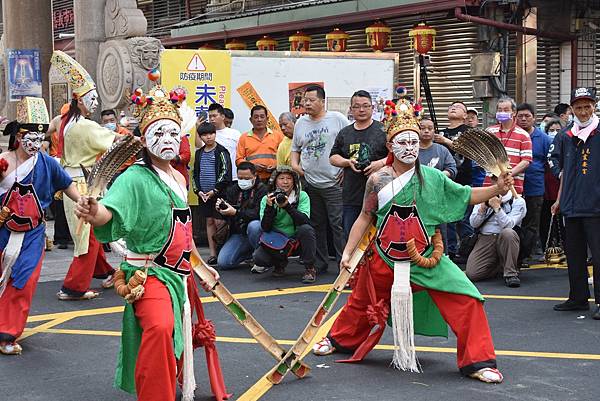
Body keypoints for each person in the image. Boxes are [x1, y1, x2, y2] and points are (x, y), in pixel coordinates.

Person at [312, 97, 511, 383]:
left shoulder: (433, 177)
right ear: (390, 146)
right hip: (382, 257)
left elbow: (465, 195)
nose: (409, 148)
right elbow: (365, 218)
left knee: (468, 298)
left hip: (426, 256)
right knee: (360, 303)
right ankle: (339, 340)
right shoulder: (377, 180)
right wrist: (347, 252)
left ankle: (478, 361)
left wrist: (495, 188)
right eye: (402, 142)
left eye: (414, 142)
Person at [74, 85, 229, 401]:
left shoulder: (179, 177)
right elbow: (110, 211)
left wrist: (200, 266)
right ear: (144, 140)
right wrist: (95, 212)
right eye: (160, 133)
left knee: (172, 335)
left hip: (179, 274)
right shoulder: (134, 178)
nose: (169, 140)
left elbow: (182, 231)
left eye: (174, 133)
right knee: (159, 329)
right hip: (148, 274)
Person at [0, 97, 80, 355]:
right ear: (18, 136)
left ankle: (7, 332)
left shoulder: (47, 163)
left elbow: (67, 185)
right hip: (3, 229)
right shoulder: (3, 161)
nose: (34, 143)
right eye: (29, 137)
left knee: (24, 280)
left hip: (33, 233)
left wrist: (84, 202)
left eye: (38, 137)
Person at [51, 50, 115, 301]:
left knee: (90, 232)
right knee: (86, 237)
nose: (96, 102)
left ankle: (106, 272)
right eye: (92, 98)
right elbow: (112, 142)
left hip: (73, 181)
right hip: (83, 186)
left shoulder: (65, 122)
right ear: (80, 100)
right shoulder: (86, 126)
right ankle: (73, 287)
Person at [551, 87, 600, 319]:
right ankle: (578, 297)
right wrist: (560, 193)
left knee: (598, 256)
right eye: (578, 107)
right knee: (574, 254)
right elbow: (559, 166)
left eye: (587, 106)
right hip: (571, 205)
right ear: (572, 109)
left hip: (595, 205)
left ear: (594, 106)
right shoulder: (565, 136)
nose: (583, 111)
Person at [291, 85, 349, 272]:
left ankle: (344, 263)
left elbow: (350, 144)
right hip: (310, 182)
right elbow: (295, 149)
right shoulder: (300, 123)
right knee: (316, 225)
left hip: (334, 183)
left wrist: (346, 168)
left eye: (311, 100)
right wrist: (295, 166)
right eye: (305, 100)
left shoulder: (337, 119)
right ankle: (321, 262)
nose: (306, 103)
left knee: (338, 225)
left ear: (323, 101)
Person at [330, 90, 388, 236]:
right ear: (351, 109)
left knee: (380, 236)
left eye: (366, 106)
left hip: (381, 193)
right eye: (357, 106)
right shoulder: (345, 133)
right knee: (352, 236)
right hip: (352, 195)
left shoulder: (383, 130)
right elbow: (333, 157)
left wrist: (380, 163)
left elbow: (396, 157)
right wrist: (346, 162)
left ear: (372, 108)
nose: (361, 110)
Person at [252, 166, 317, 283]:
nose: (285, 182)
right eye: (281, 178)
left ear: (294, 181)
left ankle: (309, 268)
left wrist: (287, 206)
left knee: (307, 230)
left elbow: (304, 221)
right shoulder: (267, 198)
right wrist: (269, 207)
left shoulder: (301, 196)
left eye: (289, 178)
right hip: (278, 237)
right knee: (259, 258)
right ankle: (279, 263)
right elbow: (265, 227)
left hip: (296, 237)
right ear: (275, 181)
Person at [434, 101, 476, 259]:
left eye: (458, 107)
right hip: (444, 181)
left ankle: (467, 251)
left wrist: (446, 142)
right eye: (451, 106)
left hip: (464, 179)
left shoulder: (469, 131)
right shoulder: (440, 132)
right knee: (448, 218)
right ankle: (450, 250)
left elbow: (470, 151)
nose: (453, 108)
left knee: (464, 219)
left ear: (465, 115)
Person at [465, 182, 527, 287]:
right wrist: (482, 208)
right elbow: (474, 224)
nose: (498, 184)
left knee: (508, 233)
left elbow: (509, 224)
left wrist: (497, 208)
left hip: (506, 238)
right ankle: (499, 265)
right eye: (494, 180)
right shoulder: (483, 198)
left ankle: (511, 274)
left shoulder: (518, 201)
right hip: (486, 237)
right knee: (473, 274)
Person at [517, 103, 552, 263]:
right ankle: (517, 253)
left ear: (534, 118)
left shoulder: (543, 138)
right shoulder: (513, 135)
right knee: (515, 221)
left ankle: (529, 254)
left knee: (532, 222)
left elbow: (549, 162)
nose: (523, 119)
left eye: (527, 116)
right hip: (514, 186)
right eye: (520, 116)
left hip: (535, 186)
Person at [193, 122, 232, 265]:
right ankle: (212, 253)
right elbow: (195, 174)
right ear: (201, 137)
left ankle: (223, 251)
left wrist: (215, 190)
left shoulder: (222, 151)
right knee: (209, 221)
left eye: (211, 133)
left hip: (219, 193)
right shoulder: (199, 153)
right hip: (204, 195)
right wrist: (198, 191)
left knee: (220, 222)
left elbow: (225, 172)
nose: (208, 137)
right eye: (204, 134)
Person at [215, 162, 267, 270]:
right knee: (223, 263)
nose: (243, 181)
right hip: (239, 232)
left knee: (254, 225)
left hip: (258, 232)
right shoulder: (233, 189)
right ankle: (251, 253)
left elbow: (258, 214)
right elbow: (229, 214)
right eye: (240, 178)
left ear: (255, 176)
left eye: (247, 178)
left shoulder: (263, 190)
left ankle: (263, 258)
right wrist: (222, 209)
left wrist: (236, 212)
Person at [485, 96, 532, 195]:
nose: (502, 112)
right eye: (499, 110)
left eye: (506, 110)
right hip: (489, 188)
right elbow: (484, 156)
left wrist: (507, 174)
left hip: (514, 188)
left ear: (514, 113)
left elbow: (526, 161)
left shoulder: (523, 134)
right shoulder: (489, 132)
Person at [236, 105, 283, 181]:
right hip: (252, 179)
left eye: (262, 116)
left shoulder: (278, 136)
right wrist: (252, 166)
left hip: (275, 178)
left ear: (267, 119)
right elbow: (238, 160)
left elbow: (285, 157)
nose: (259, 119)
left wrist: (276, 166)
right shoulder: (244, 137)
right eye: (256, 117)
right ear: (251, 120)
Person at [539, 119, 563, 250]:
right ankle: (547, 246)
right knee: (546, 220)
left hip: (561, 187)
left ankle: (562, 245)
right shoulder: (544, 144)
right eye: (551, 130)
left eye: (558, 130)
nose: (555, 133)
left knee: (562, 221)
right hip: (546, 188)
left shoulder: (565, 144)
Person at [204, 103, 240, 180]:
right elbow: (199, 148)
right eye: (210, 117)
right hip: (213, 178)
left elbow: (241, 154)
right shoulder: (208, 135)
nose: (212, 119)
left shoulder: (235, 134)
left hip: (233, 177)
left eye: (214, 116)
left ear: (223, 116)